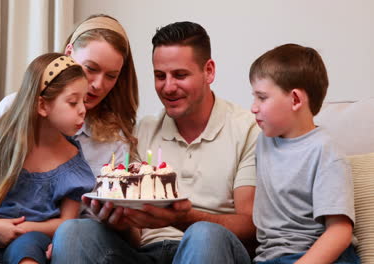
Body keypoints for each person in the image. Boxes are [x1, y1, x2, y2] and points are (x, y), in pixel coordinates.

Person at [0, 14, 139, 263]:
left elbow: (85, 222)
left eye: (111, 76)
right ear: (69, 53)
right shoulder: (14, 111)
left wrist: (62, 240)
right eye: (91, 68)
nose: (97, 85)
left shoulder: (114, 140)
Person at [52, 21, 259, 263]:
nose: (168, 87)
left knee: (203, 235)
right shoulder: (142, 131)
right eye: (160, 76)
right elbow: (135, 237)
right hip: (148, 253)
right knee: (74, 231)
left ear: (209, 71)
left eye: (180, 75)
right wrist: (116, 220)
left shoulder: (247, 130)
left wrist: (181, 218)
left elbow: (251, 226)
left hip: (211, 249)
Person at [0, 53, 95, 263]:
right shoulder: (3, 144)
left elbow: (67, 222)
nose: (83, 110)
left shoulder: (72, 163)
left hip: (35, 236)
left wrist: (22, 229)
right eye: (73, 102)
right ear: (42, 105)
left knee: (28, 256)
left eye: (84, 100)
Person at [249, 44, 359, 264]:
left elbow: (339, 232)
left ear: (296, 100)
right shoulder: (263, 140)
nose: (253, 107)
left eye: (262, 97)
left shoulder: (324, 150)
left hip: (317, 255)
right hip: (270, 257)